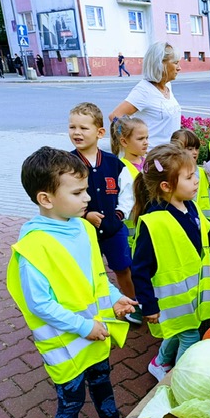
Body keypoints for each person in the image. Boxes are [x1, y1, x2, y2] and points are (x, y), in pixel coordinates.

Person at [6, 146, 136, 418]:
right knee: (71, 404)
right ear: (45, 199)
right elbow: (39, 304)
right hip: (66, 344)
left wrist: (116, 296)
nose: (88, 198)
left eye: (86, 190)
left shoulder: (83, 229)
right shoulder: (33, 247)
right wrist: (83, 326)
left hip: (93, 332)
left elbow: (96, 277)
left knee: (103, 380)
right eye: (77, 192)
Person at [130, 144, 210, 380]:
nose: (196, 180)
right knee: (190, 336)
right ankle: (182, 378)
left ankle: (160, 361)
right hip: (171, 300)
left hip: (192, 295)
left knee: (178, 332)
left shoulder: (192, 208)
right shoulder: (153, 223)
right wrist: (149, 305)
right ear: (166, 187)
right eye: (189, 177)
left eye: (194, 174)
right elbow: (140, 270)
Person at [68, 103, 140, 324]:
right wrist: (84, 215)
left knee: (122, 268)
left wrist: (118, 215)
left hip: (113, 231)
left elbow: (128, 192)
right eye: (72, 127)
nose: (76, 133)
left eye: (83, 128)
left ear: (100, 132)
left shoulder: (115, 164)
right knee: (89, 271)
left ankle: (132, 304)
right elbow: (64, 195)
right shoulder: (66, 163)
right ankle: (95, 309)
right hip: (82, 232)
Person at [109, 42, 181, 148]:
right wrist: (132, 141)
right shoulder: (144, 91)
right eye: (175, 63)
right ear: (160, 64)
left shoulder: (167, 86)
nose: (179, 68)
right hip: (154, 158)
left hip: (171, 156)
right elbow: (114, 117)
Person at [109, 115, 149, 259]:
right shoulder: (121, 169)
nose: (146, 142)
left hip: (149, 229)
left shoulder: (150, 162)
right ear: (124, 141)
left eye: (147, 138)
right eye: (140, 139)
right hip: (133, 234)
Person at [171, 129, 210, 221]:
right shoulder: (172, 174)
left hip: (205, 226)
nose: (195, 152)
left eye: (197, 148)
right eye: (190, 149)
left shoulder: (203, 172)